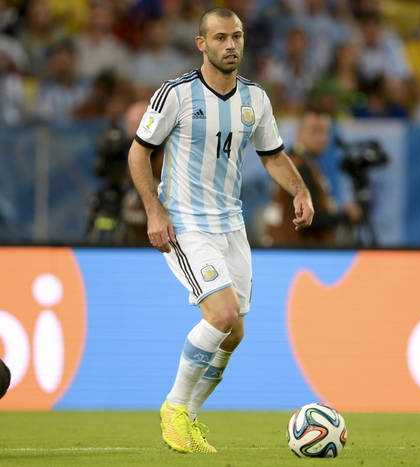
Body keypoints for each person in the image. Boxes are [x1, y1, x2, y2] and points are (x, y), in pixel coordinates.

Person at [127, 7, 314, 454]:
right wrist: (154, 211)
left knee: (234, 333)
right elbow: (138, 153)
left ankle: (189, 418)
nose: (230, 45)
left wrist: (300, 191)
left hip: (232, 223)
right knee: (222, 314)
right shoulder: (175, 94)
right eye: (220, 38)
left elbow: (272, 155)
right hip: (186, 223)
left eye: (237, 36)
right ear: (201, 44)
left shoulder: (256, 99)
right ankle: (174, 408)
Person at [264, 109, 361, 246]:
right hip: (296, 250)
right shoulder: (298, 167)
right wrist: (346, 215)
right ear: (300, 133)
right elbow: (307, 219)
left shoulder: (303, 163)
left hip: (289, 249)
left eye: (326, 131)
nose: (322, 138)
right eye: (315, 131)